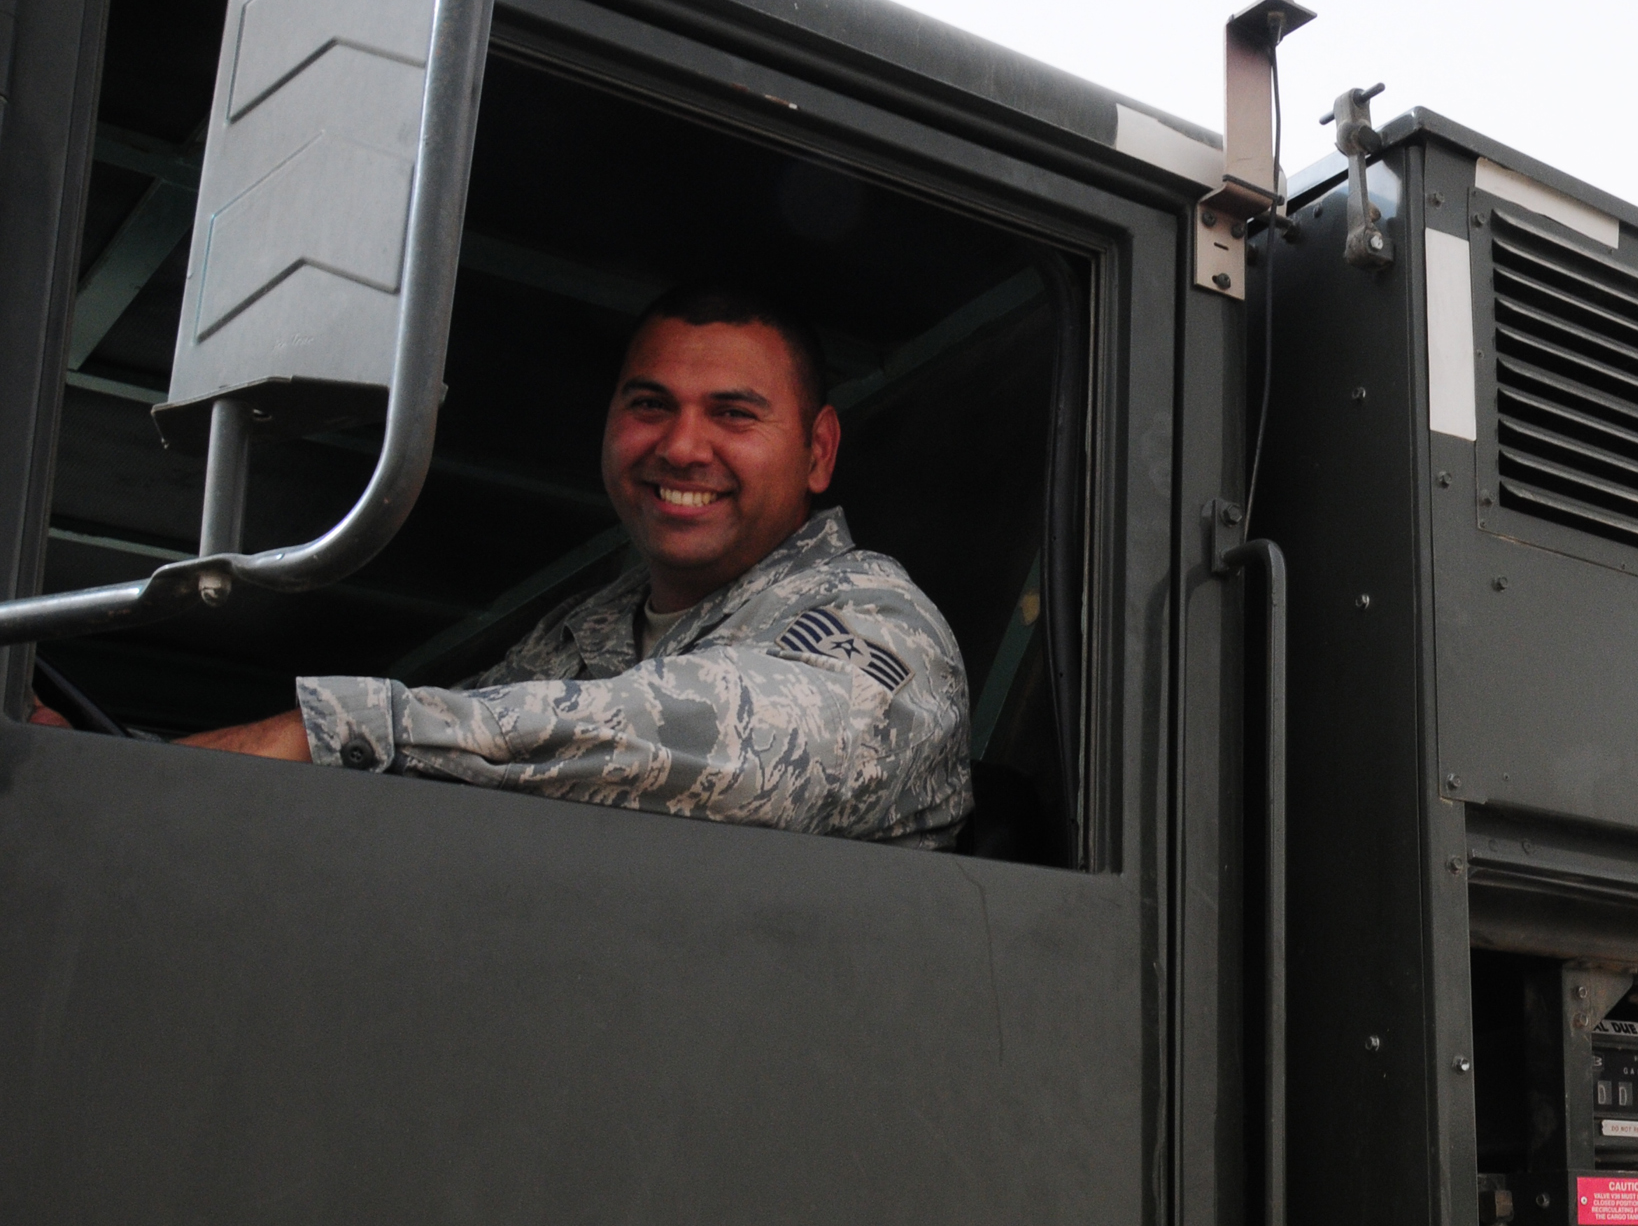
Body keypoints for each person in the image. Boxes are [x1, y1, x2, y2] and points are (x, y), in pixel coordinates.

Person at [47, 285, 974, 849]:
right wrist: (112, 759)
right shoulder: (585, 632)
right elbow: (440, 769)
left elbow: (739, 746)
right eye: (650, 404)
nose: (682, 445)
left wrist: (333, 730)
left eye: (733, 413)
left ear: (818, 451)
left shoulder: (877, 622)